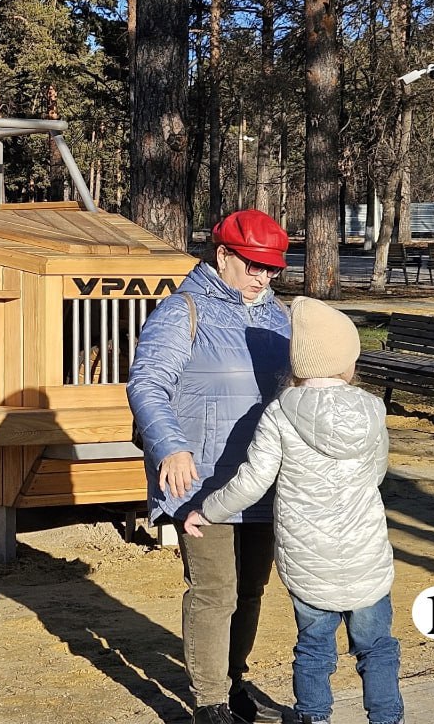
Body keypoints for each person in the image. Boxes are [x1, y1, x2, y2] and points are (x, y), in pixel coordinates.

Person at [185, 298, 403, 724]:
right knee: (377, 647)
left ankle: (314, 718)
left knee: (314, 648)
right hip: (367, 556)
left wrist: (207, 511)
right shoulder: (373, 410)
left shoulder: (280, 413)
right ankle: (387, 718)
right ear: (347, 361)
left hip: (308, 559)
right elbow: (377, 472)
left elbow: (253, 481)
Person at [127, 209, 291, 724]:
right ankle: (210, 703)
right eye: (254, 265)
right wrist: (170, 447)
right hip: (202, 480)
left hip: (263, 478)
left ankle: (235, 684)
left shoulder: (278, 315)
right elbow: (147, 384)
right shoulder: (184, 311)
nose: (263, 278)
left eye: (272, 268)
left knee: (251, 589)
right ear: (222, 255)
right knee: (215, 591)